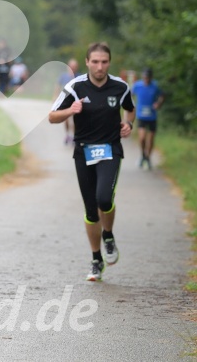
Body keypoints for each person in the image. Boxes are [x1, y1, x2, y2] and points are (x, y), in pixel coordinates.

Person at [49, 42, 136, 282]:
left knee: (104, 199)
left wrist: (128, 124)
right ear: (87, 62)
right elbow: (52, 117)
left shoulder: (120, 87)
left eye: (104, 62)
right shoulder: (75, 87)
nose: (100, 67)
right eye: (95, 62)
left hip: (110, 150)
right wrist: (71, 110)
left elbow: (130, 109)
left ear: (109, 62)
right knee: (90, 210)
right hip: (84, 152)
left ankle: (108, 235)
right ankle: (96, 259)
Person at [132, 68, 164, 170]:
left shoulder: (155, 85)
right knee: (142, 138)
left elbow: (162, 96)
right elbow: (129, 95)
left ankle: (148, 158)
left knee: (151, 138)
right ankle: (143, 156)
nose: (146, 80)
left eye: (148, 78)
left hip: (152, 116)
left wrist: (158, 104)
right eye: (145, 77)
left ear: (151, 78)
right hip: (141, 115)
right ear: (143, 77)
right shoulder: (137, 85)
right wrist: (132, 106)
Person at [54, 58, 81, 145]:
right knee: (65, 119)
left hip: (75, 100)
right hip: (65, 100)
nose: (73, 68)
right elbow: (58, 86)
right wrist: (55, 97)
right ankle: (67, 135)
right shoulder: (64, 76)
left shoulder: (79, 76)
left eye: (75, 67)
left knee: (75, 119)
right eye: (71, 66)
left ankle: (74, 136)